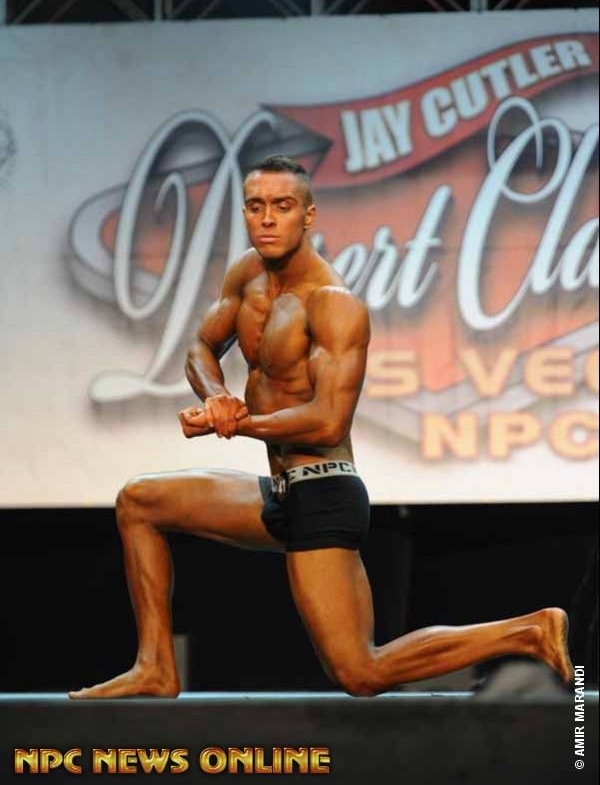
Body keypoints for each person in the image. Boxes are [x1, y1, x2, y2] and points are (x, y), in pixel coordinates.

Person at [69, 155, 574, 699]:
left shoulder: (332, 303)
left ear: (308, 216)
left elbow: (329, 421)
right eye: (256, 207)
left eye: (282, 206)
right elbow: (202, 345)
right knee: (139, 502)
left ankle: (527, 631)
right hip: (279, 491)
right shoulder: (246, 274)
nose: (267, 219)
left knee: (360, 672)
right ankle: (156, 666)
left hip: (323, 493)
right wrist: (217, 398)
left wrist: (238, 424)